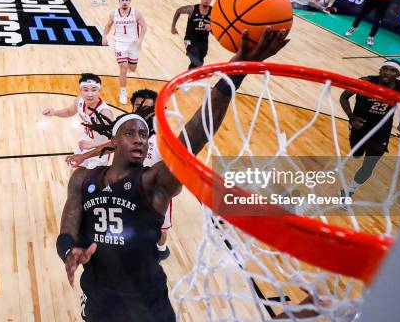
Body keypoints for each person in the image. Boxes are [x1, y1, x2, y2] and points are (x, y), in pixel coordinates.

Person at [56, 27, 289, 321]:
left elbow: (197, 134)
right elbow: (67, 228)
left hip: (148, 301)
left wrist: (236, 71)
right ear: (113, 142)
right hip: (100, 299)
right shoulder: (83, 179)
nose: (140, 138)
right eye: (130, 133)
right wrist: (69, 252)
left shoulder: (153, 182)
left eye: (143, 133)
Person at [67, 89, 174, 261]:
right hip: (129, 185)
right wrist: (83, 156)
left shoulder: (164, 135)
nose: (142, 109)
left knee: (161, 229)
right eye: (139, 105)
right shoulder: (127, 128)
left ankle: (160, 250)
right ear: (133, 106)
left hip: (154, 188)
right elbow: (110, 144)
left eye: (148, 107)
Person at [339, 60, 400, 198]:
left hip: (381, 129)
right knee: (356, 154)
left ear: (398, 74)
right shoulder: (365, 82)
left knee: (369, 165)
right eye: (385, 68)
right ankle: (355, 144)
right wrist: (351, 117)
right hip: (360, 125)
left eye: (392, 70)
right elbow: (344, 98)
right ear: (380, 70)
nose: (387, 72)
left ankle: (349, 191)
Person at [42, 74, 114, 169]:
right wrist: (54, 112)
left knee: (89, 181)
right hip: (84, 144)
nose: (90, 94)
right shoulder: (79, 100)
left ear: (99, 91)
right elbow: (69, 111)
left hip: (100, 151)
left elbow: (114, 141)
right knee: (74, 172)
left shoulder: (105, 113)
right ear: (80, 91)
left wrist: (93, 144)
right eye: (86, 90)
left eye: (94, 90)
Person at [101, 0, 148, 105]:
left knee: (132, 68)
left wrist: (140, 39)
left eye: (127, 0)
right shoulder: (114, 14)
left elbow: (144, 25)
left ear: (130, 1)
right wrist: (104, 35)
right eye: (122, 0)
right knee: (123, 67)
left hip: (133, 44)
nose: (125, 2)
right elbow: (108, 25)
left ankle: (129, 69)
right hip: (120, 44)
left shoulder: (136, 13)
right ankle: (123, 91)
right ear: (119, 1)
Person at [171, 0, 213, 69]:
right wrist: (173, 27)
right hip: (190, 40)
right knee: (196, 60)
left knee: (197, 63)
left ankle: (191, 79)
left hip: (203, 42)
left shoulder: (213, 11)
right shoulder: (192, 9)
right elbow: (178, 11)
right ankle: (191, 79)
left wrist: (211, 29)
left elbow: (218, 28)